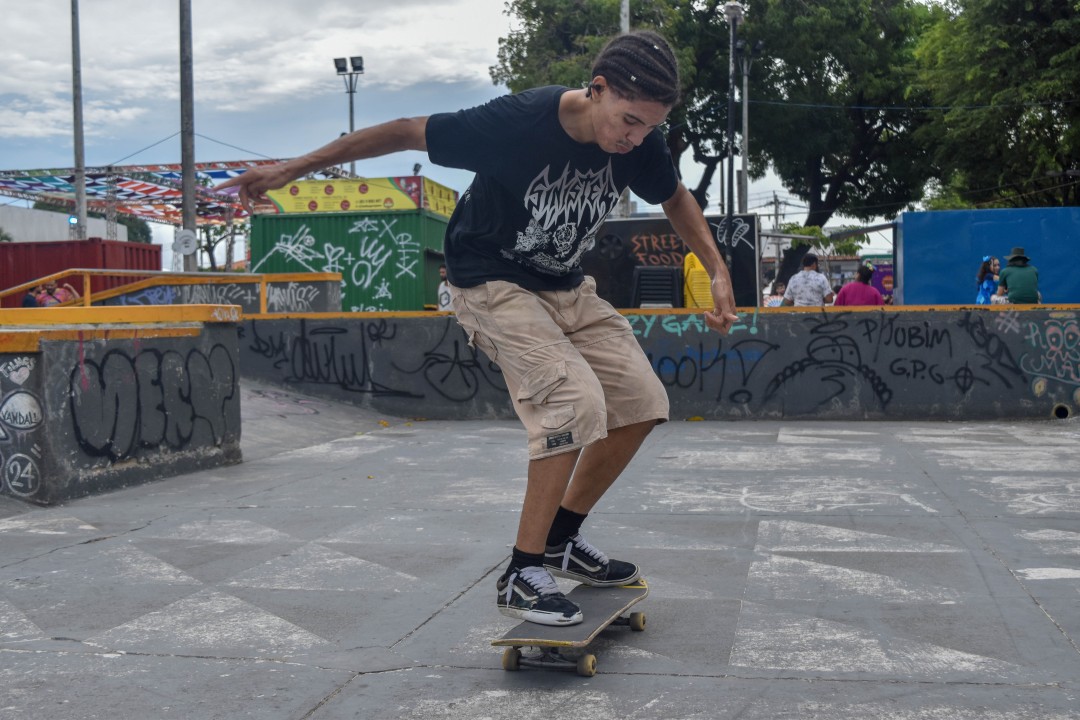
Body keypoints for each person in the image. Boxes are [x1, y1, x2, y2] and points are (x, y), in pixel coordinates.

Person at [218, 30, 739, 628]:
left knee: (643, 402)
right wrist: (293, 168)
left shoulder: (641, 142)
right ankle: (522, 572)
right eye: (627, 122)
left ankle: (562, 539)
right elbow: (406, 130)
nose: (634, 139)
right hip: (489, 280)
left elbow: (673, 196)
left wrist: (716, 267)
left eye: (648, 127)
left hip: (564, 285)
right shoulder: (517, 121)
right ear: (596, 90)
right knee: (572, 402)